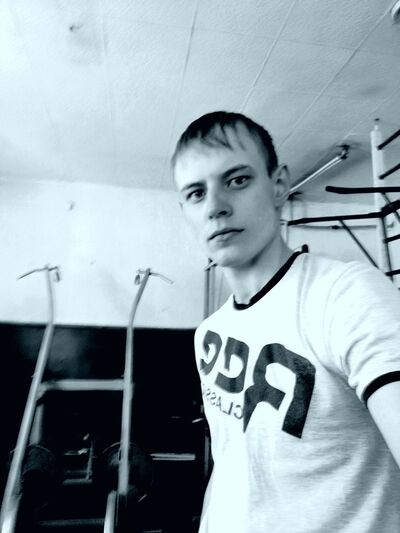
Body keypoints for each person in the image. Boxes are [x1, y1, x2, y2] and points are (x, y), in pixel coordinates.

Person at [171, 111, 400, 533]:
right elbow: (232, 466)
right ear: (185, 210)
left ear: (278, 186)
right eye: (196, 193)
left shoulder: (346, 295)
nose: (216, 207)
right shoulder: (210, 334)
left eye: (237, 180)